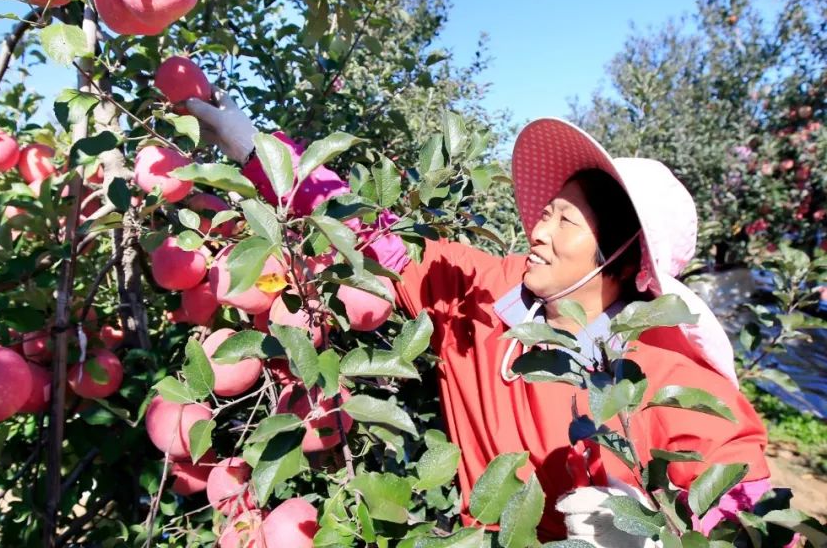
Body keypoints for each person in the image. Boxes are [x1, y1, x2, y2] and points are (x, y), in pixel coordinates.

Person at [185, 90, 772, 545]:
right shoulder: (484, 299)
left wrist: (655, 537)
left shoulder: (670, 377)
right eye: (545, 214)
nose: (537, 231)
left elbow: (751, 516)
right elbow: (376, 237)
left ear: (624, 256)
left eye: (566, 222)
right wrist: (252, 148)